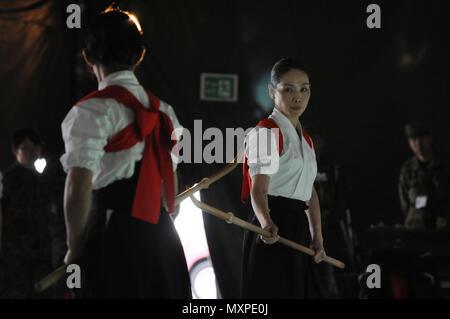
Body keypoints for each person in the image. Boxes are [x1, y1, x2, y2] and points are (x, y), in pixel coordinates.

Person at [60, 8, 191, 298]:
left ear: (88, 57)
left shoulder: (90, 111)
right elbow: (172, 191)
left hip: (112, 234)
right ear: (139, 55)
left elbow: (79, 184)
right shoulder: (166, 112)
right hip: (162, 238)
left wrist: (74, 248)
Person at [240, 57, 326, 299]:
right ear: (271, 91)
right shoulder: (266, 132)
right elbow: (259, 189)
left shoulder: (306, 140)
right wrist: (266, 222)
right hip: (272, 229)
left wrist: (317, 236)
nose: (297, 97)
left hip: (298, 229)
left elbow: (309, 192)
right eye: (288, 89)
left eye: (304, 89)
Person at [0, 128, 52, 298]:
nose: (33, 152)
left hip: (42, 251)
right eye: (26, 148)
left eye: (36, 147)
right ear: (15, 150)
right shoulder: (7, 180)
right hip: (15, 254)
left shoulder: (46, 178)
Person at [398, 122, 450, 230]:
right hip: (417, 229)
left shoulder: (444, 166)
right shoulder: (408, 170)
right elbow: (406, 205)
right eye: (413, 140)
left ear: (429, 139)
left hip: (443, 230)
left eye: (421, 138)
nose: (418, 144)